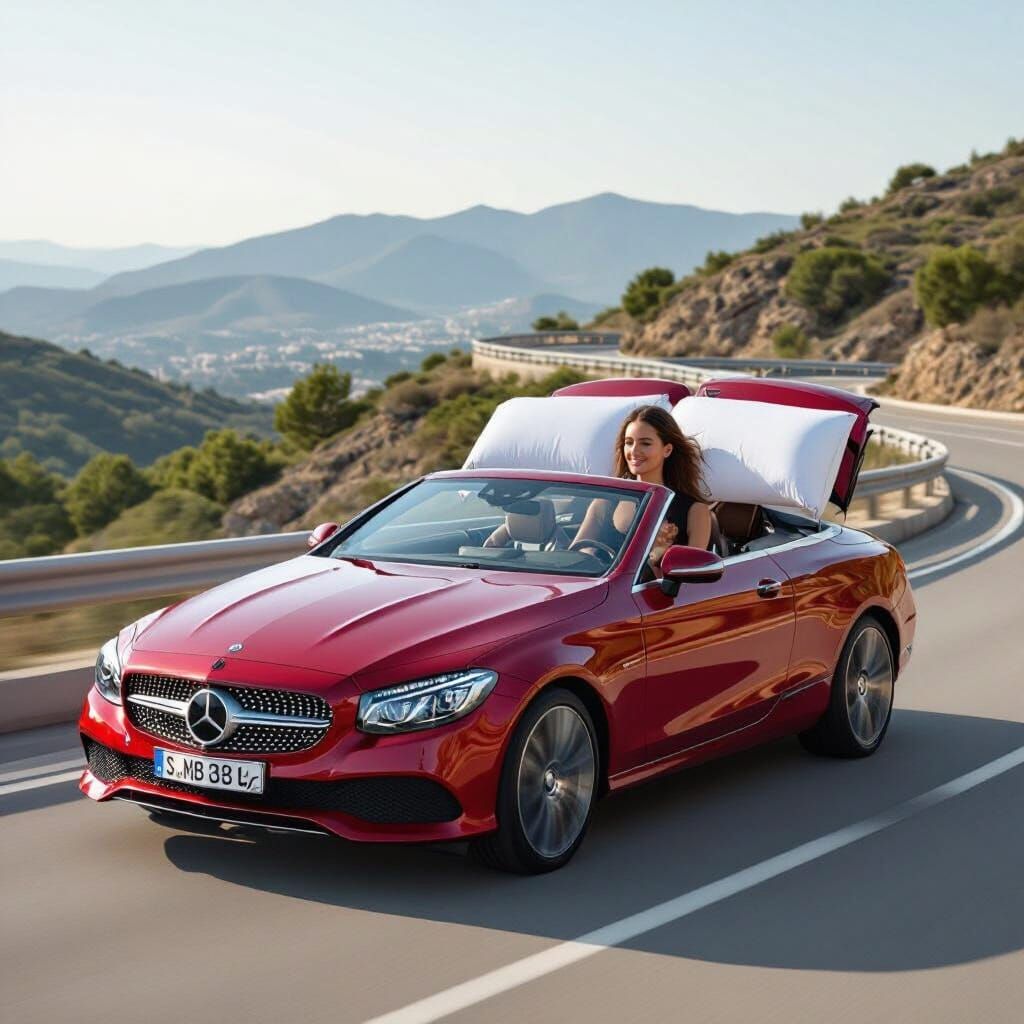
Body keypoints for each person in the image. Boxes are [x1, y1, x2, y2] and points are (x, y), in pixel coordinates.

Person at [574, 404, 713, 572]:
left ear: (667, 450)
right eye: (629, 443)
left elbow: (688, 586)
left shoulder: (695, 511)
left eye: (645, 443)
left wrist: (657, 553)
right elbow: (574, 558)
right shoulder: (604, 502)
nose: (634, 451)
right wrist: (588, 556)